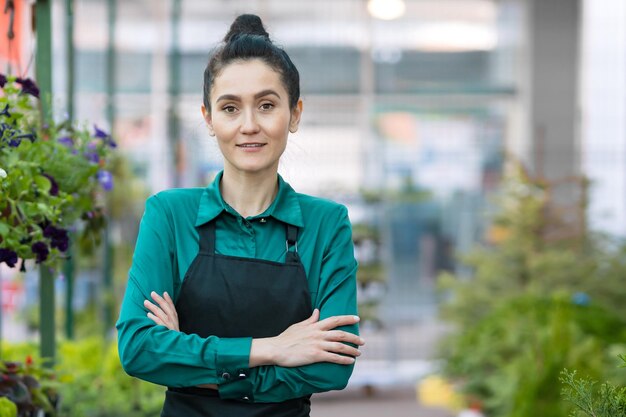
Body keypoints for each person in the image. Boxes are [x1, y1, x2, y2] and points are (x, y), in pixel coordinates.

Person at [116, 13, 364, 417]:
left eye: (266, 105)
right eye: (230, 108)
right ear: (209, 118)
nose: (249, 125)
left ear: (295, 114)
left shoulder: (327, 224)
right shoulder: (169, 214)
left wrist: (190, 360)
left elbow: (331, 366)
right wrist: (272, 349)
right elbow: (139, 349)